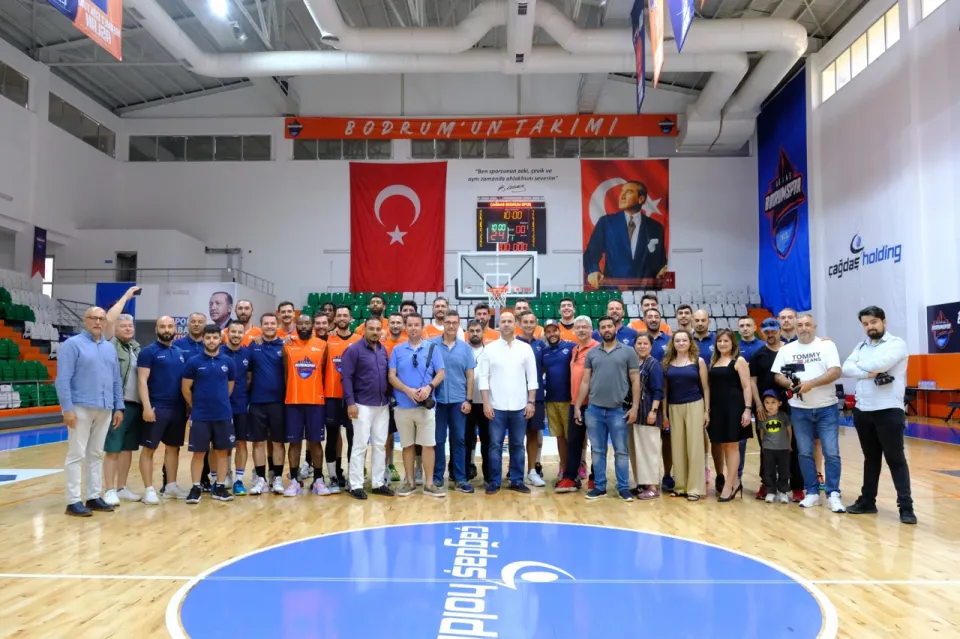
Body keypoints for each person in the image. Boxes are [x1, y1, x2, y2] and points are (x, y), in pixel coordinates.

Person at [841, 306, 915, 524]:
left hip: (888, 410)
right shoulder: (860, 346)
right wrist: (869, 372)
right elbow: (846, 368)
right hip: (863, 410)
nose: (870, 327)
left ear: (884, 321)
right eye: (865, 324)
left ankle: (906, 507)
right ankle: (867, 501)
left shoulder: (896, 344)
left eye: (874, 322)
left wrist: (860, 367)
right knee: (871, 458)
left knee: (895, 459)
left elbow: (882, 364)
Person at [55, 306, 124, 517]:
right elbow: (63, 379)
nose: (98, 322)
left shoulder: (109, 348)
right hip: (80, 407)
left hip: (105, 407)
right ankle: (73, 501)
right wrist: (67, 409)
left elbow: (116, 379)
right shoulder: (72, 345)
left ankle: (93, 496)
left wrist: (119, 406)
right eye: (93, 318)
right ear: (85, 321)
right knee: (76, 454)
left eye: (101, 318)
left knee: (96, 454)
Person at [772, 313, 845, 512]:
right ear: (795, 328)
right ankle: (811, 492)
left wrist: (811, 384)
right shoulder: (786, 350)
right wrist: (790, 384)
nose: (804, 328)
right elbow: (778, 375)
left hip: (827, 408)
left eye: (807, 324)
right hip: (799, 409)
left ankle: (833, 494)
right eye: (800, 325)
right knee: (804, 453)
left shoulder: (826, 345)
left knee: (831, 452)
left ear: (814, 327)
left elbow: (835, 372)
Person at [573, 316, 640, 501]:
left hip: (619, 410)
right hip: (594, 410)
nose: (607, 329)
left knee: (621, 451)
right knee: (597, 450)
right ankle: (600, 486)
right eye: (603, 327)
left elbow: (636, 380)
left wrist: (635, 407)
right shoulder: (592, 353)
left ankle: (623, 487)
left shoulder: (628, 351)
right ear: (599, 331)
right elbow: (585, 381)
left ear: (615, 328)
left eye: (610, 326)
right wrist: (578, 405)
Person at [477, 311, 539, 495]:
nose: (506, 324)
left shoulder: (525, 349)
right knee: (495, 445)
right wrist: (486, 403)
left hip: (520, 407)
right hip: (496, 407)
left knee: (518, 445)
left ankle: (517, 480)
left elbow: (532, 378)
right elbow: (483, 378)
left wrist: (531, 402)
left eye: (509, 321)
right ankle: (494, 481)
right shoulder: (489, 349)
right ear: (498, 325)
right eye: (503, 321)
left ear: (515, 324)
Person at [389, 313, 446, 497]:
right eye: (410, 325)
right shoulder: (397, 350)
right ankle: (410, 482)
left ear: (422, 327)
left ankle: (429, 484)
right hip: (403, 406)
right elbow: (391, 376)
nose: (413, 328)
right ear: (406, 327)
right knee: (407, 446)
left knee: (428, 445)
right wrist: (408, 391)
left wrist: (429, 387)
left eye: (416, 325)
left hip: (425, 408)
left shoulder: (432, 348)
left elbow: (441, 373)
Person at [749, 318, 804, 502]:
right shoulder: (758, 355)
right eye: (767, 331)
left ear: (780, 330)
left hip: (791, 406)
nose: (770, 334)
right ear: (762, 332)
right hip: (765, 408)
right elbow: (752, 381)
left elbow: (800, 373)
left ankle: (796, 486)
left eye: (773, 330)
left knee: (793, 446)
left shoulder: (791, 351)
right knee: (766, 447)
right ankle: (767, 483)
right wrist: (758, 404)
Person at [182, 325, 236, 504]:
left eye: (215, 337)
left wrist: (219, 403)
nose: (211, 341)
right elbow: (186, 388)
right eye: (208, 337)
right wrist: (196, 406)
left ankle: (219, 487)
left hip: (223, 415)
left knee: (222, 452)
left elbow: (229, 387)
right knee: (198, 453)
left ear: (220, 339)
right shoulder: (193, 362)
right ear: (203, 339)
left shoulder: (228, 362)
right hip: (200, 416)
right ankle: (195, 487)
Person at [138, 316, 189, 504]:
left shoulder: (179, 352)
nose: (166, 329)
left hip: (177, 409)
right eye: (162, 326)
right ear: (156, 329)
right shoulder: (148, 352)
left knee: (173, 448)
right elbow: (142, 380)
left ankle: (171, 486)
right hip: (156, 407)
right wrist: (146, 406)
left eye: (169, 326)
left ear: (175, 328)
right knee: (149, 449)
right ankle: (149, 489)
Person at [341, 317, 393, 500]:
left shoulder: (383, 350)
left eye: (378, 329)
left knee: (380, 445)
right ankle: (356, 485)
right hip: (361, 405)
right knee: (360, 445)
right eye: (371, 328)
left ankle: (378, 483)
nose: (375, 332)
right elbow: (346, 377)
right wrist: (350, 403)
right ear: (364, 330)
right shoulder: (353, 350)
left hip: (382, 405)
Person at [584, 181, 667, 288]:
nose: (622, 196)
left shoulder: (656, 227)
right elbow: (591, 253)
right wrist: (593, 270)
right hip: (612, 290)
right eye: (621, 192)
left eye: (628, 192)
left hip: (644, 291)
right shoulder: (606, 223)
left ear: (641, 199)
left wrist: (664, 269)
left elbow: (660, 261)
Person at [281, 313, 328, 497]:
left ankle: (318, 480)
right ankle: (294, 480)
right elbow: (285, 373)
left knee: (315, 442)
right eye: (300, 323)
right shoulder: (288, 345)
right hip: (293, 401)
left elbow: (324, 371)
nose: (304, 326)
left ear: (312, 325)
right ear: (296, 325)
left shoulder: (322, 345)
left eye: (307, 323)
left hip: (316, 401)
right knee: (294, 443)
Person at [429, 311, 476, 493]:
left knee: (459, 440)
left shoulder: (465, 348)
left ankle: (460, 478)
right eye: (448, 322)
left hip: (458, 401)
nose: (450, 325)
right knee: (438, 440)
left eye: (454, 322)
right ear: (443, 324)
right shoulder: (431, 345)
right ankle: (437, 477)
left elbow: (470, 376)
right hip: (438, 401)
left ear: (458, 325)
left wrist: (468, 399)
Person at [662, 329, 709, 501]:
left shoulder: (698, 361)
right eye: (677, 340)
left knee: (695, 447)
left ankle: (695, 488)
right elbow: (665, 391)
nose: (681, 343)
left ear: (690, 342)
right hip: (674, 407)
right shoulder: (667, 362)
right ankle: (680, 486)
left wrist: (707, 411)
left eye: (684, 340)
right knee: (677, 447)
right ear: (673, 344)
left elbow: (706, 388)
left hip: (695, 405)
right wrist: (664, 413)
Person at [707, 329, 752, 502]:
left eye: (726, 341)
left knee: (732, 446)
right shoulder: (714, 361)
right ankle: (735, 482)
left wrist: (747, 409)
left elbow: (747, 386)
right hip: (718, 408)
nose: (722, 344)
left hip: (734, 407)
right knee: (724, 445)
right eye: (719, 341)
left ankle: (729, 485)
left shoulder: (739, 360)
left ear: (733, 343)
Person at [556, 316, 599, 493]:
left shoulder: (597, 348)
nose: (581, 330)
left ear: (591, 329)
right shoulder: (574, 349)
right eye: (578, 327)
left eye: (584, 327)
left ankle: (596, 478)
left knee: (597, 443)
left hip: (594, 403)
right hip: (575, 403)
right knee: (573, 441)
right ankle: (570, 477)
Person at [103, 312, 142, 506]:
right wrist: (126, 298)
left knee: (127, 449)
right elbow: (108, 320)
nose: (128, 328)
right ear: (115, 329)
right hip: (117, 405)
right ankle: (109, 490)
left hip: (135, 405)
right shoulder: (110, 345)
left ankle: (121, 487)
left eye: (130, 326)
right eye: (123, 326)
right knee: (113, 449)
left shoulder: (136, 348)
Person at [247, 312, 287, 495]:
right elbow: (248, 374)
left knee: (278, 442)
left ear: (277, 325)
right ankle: (261, 479)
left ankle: (277, 478)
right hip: (257, 401)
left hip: (279, 402)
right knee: (258, 443)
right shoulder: (253, 345)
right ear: (261, 326)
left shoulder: (285, 345)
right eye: (266, 323)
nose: (269, 326)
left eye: (272, 323)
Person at [324, 305, 361, 490]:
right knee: (332, 436)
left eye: (345, 315)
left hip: (352, 398)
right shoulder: (327, 339)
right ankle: (334, 475)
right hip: (331, 396)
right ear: (335, 318)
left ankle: (353, 476)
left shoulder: (359, 340)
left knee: (353, 437)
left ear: (350, 318)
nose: (342, 318)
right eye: (339, 315)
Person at [627, 333, 664, 500]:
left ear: (651, 346)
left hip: (648, 412)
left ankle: (652, 487)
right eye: (639, 343)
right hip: (634, 413)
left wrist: (653, 411)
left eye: (645, 344)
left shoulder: (654, 364)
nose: (642, 346)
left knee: (649, 451)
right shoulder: (633, 363)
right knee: (636, 450)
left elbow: (658, 391)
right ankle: (642, 483)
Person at [221, 320, 254, 496]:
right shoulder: (218, 352)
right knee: (222, 443)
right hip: (221, 406)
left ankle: (239, 479)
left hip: (241, 405)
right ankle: (225, 474)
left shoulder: (247, 353)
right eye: (233, 332)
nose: (236, 335)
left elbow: (249, 379)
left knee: (241, 442)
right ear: (227, 332)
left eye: (239, 332)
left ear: (243, 334)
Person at [516, 311, 547, 486]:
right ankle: (515, 470)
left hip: (537, 396)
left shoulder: (541, 345)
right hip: (516, 396)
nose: (528, 325)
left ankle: (532, 471)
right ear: (519, 324)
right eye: (525, 322)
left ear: (536, 324)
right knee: (516, 435)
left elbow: (543, 368)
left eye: (531, 322)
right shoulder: (513, 343)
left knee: (533, 433)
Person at [542, 319, 575, 482]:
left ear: (559, 331)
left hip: (569, 400)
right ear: (545, 334)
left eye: (554, 330)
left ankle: (574, 469)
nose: (552, 334)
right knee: (559, 437)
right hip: (551, 400)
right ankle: (563, 467)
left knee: (572, 438)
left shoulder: (571, 347)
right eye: (548, 332)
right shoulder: (544, 352)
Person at [464, 320, 491, 483]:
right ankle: (465, 474)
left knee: (487, 441)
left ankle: (488, 475)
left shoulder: (490, 352)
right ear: (467, 332)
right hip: (466, 402)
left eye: (477, 331)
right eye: (472, 331)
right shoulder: (462, 350)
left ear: (483, 332)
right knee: (466, 440)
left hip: (486, 403)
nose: (475, 333)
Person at [381, 312, 407, 483]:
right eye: (393, 322)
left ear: (403, 325)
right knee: (386, 433)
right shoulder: (381, 343)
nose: (396, 325)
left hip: (404, 394)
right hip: (384, 394)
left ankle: (413, 472)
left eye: (399, 322)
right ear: (388, 325)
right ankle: (385, 468)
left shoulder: (407, 343)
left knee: (407, 435)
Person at [757, 390, 792, 504]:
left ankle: (783, 492)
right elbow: (762, 432)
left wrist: (789, 444)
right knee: (769, 471)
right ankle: (770, 491)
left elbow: (789, 430)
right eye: (767, 403)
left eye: (773, 402)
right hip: (769, 449)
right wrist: (763, 445)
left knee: (784, 471)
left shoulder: (783, 416)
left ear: (779, 403)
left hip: (783, 448)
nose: (770, 405)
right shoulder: (762, 417)